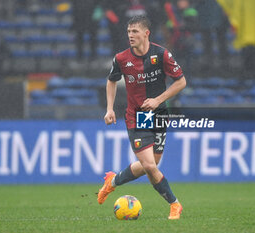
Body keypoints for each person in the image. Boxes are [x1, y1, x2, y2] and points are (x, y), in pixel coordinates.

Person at [97, 15, 186, 220]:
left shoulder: (162, 54)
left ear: (146, 33)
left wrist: (157, 100)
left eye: (135, 32)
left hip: (159, 114)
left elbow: (181, 82)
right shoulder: (121, 58)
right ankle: (175, 204)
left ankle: (113, 181)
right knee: (148, 166)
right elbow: (111, 81)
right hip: (137, 116)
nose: (130, 35)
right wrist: (110, 109)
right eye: (129, 32)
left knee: (151, 165)